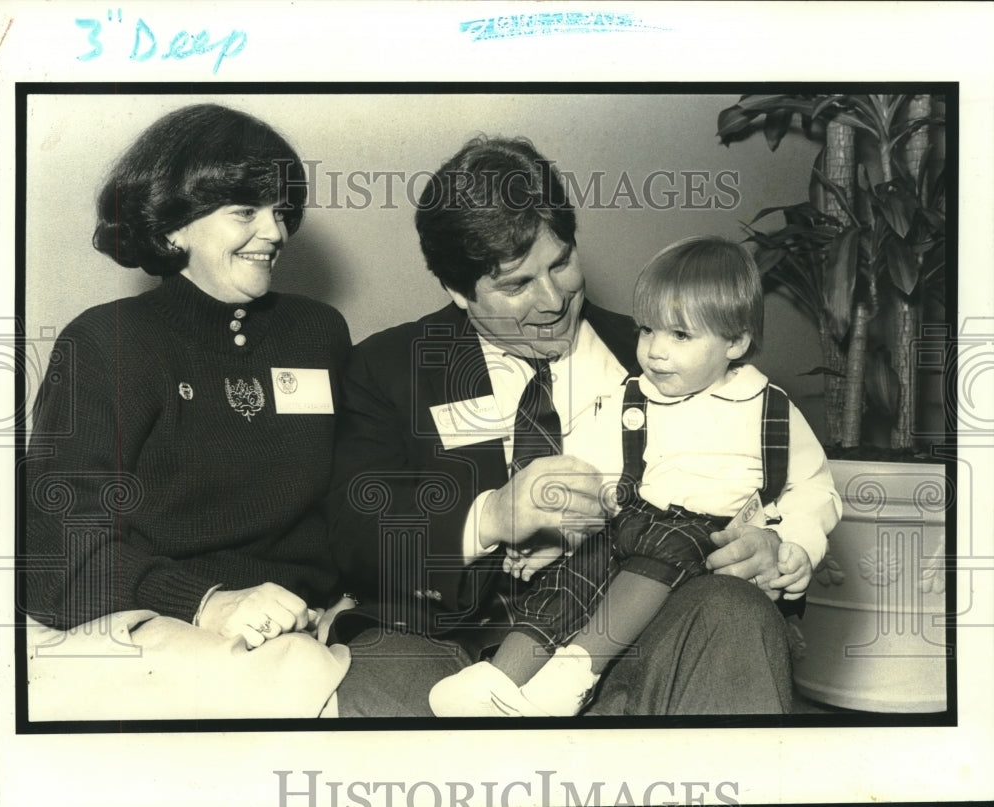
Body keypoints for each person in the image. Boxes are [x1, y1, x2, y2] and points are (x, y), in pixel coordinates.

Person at [328, 136, 824, 717]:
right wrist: (492, 516)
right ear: (459, 291)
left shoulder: (665, 352)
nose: (554, 299)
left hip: (632, 631)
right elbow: (354, 532)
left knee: (734, 612)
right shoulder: (392, 366)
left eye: (560, 262)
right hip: (450, 639)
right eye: (516, 285)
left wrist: (775, 547)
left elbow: (776, 473)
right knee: (379, 689)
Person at [23, 104, 352, 720]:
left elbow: (355, 493)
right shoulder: (105, 344)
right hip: (166, 619)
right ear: (174, 226)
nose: (276, 231)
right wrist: (208, 601)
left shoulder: (318, 332)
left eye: (281, 211)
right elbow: (50, 549)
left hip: (313, 620)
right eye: (245, 211)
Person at [427, 236, 842, 716]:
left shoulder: (770, 407)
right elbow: (593, 471)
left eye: (680, 336)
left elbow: (813, 490)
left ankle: (576, 673)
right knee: (572, 575)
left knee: (662, 548)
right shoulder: (633, 399)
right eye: (647, 330)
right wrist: (561, 531)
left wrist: (795, 543)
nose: (655, 352)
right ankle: (498, 678)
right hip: (632, 522)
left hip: (702, 537)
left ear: (736, 342)